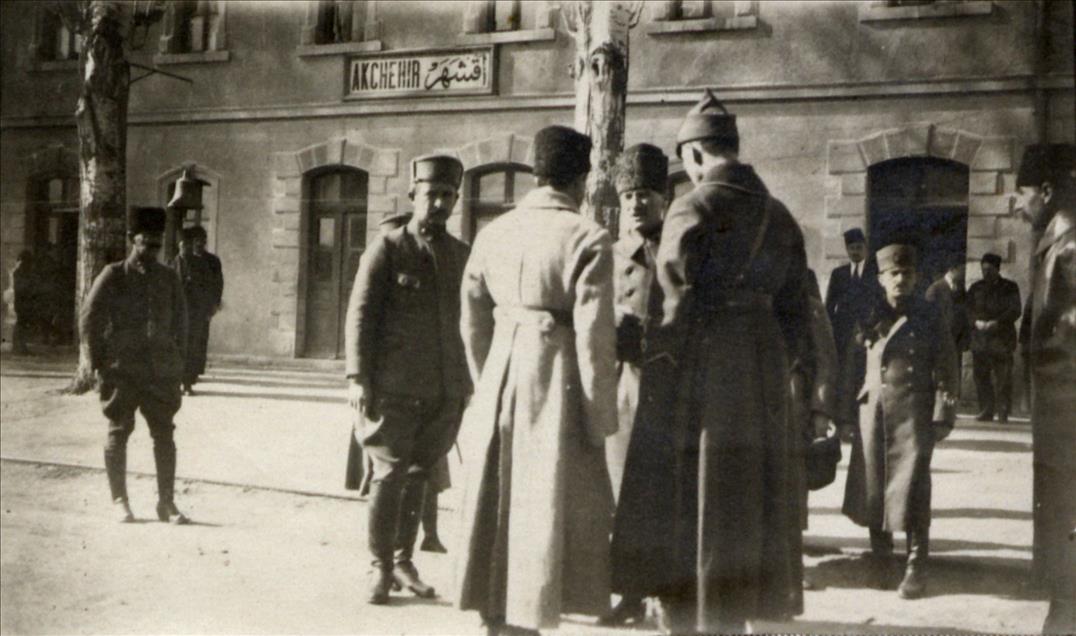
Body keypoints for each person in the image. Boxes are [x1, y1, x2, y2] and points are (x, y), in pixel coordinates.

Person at [613, 90, 811, 634]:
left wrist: (655, 372)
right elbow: (798, 315)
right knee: (751, 497)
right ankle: (740, 611)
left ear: (696, 155)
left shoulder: (692, 207)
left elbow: (672, 306)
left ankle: (694, 614)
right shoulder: (780, 215)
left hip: (706, 369)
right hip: (765, 372)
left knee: (695, 495)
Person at [454, 125, 618, 636]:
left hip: (502, 371)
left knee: (495, 498)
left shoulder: (493, 232)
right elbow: (594, 338)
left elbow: (471, 318)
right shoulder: (588, 237)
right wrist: (599, 419)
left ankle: (493, 615)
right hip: (557, 380)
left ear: (536, 174)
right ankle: (529, 615)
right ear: (580, 179)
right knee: (544, 504)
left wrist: (488, 379)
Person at [345, 154, 471, 605]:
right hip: (391, 388)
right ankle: (380, 566)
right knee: (388, 474)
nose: (438, 203)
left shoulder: (461, 255)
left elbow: (472, 321)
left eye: (447, 195)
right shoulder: (388, 247)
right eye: (430, 194)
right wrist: (357, 377)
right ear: (413, 194)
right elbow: (360, 315)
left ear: (455, 199)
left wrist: (465, 386)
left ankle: (403, 561)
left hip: (442, 390)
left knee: (419, 475)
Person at [840, 243, 958, 599]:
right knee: (874, 485)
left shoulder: (929, 314)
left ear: (916, 277)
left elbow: (946, 363)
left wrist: (943, 413)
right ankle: (881, 558)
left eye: (907, 273)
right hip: (873, 411)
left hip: (913, 413)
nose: (900, 280)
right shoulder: (868, 313)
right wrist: (845, 414)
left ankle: (916, 566)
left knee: (915, 486)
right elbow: (853, 366)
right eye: (893, 274)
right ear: (881, 278)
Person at [79, 206, 189, 524]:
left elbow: (182, 323)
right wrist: (99, 362)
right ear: (132, 239)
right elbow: (89, 319)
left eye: (157, 245)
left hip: (160, 373)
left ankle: (166, 503)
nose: (152, 251)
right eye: (146, 244)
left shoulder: (169, 277)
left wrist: (178, 364)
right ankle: (120, 501)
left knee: (164, 435)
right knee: (118, 431)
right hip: (122, 371)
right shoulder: (113, 275)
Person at [601, 143, 669, 627]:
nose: (636, 204)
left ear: (663, 197)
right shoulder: (609, 254)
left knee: (664, 491)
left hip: (668, 383)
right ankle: (629, 592)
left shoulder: (679, 248)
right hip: (624, 383)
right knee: (623, 489)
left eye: (645, 194)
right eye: (628, 196)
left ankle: (664, 594)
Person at [1011, 142, 1075, 635]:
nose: (1017, 203)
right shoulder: (1053, 238)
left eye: (1023, 192)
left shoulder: (1070, 244)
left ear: (1048, 191)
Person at [793, 269, 839, 592]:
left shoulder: (809, 306)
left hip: (795, 407)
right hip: (757, 406)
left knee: (793, 488)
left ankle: (792, 565)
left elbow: (826, 360)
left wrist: (821, 411)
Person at [826, 228, 881, 432]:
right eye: (851, 248)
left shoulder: (875, 273)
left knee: (864, 373)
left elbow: (881, 302)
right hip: (843, 333)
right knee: (844, 375)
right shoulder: (838, 274)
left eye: (859, 247)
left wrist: (873, 328)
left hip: (868, 332)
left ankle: (862, 418)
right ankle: (844, 419)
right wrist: (831, 332)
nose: (855, 252)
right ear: (847, 250)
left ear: (865, 248)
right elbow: (829, 305)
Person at [966, 252, 1022, 422]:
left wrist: (997, 323)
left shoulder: (1010, 287)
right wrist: (975, 322)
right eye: (983, 269)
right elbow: (967, 310)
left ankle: (1003, 411)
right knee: (981, 376)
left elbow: (1015, 309)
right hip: (980, 339)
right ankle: (986, 410)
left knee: (1003, 377)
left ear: (998, 269)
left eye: (989, 270)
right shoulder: (975, 288)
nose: (986, 273)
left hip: (1002, 339)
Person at [171, 226, 223, 395]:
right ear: (179, 246)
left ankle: (188, 383)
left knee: (193, 347)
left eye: (187, 245)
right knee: (176, 348)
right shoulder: (171, 265)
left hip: (195, 313)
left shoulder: (201, 265)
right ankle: (176, 382)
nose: (185, 249)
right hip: (176, 314)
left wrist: (209, 308)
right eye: (182, 245)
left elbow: (209, 287)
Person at [926, 259, 969, 389]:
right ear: (952, 269)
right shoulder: (935, 289)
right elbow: (928, 318)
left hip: (956, 341)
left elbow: (964, 316)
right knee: (940, 373)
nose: (965, 272)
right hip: (940, 341)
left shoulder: (961, 289)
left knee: (955, 373)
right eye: (962, 269)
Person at [11, 250, 36, 355]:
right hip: (21, 302)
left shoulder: (21, 272)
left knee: (23, 324)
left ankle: (21, 347)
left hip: (23, 302)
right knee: (21, 324)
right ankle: (18, 348)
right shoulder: (19, 273)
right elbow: (22, 288)